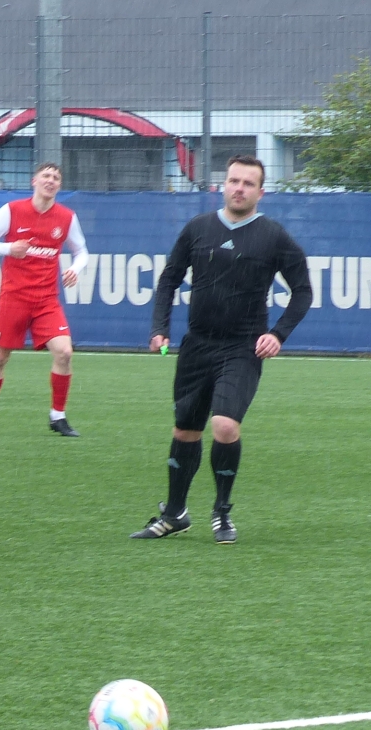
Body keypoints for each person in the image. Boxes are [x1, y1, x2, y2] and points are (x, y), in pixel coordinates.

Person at [133, 155, 313, 543]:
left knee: (225, 424)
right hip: (196, 346)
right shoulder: (198, 228)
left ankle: (222, 511)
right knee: (185, 429)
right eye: (234, 181)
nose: (239, 188)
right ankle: (175, 513)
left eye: (248, 183)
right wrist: (159, 328)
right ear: (223, 185)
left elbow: (303, 292)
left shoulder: (274, 236)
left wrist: (278, 334)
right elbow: (169, 280)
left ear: (261, 192)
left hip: (242, 348)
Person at [0, 161, 88, 438]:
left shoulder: (66, 217)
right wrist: (8, 249)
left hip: (47, 301)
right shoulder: (13, 210)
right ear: (34, 181)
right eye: (46, 176)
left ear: (59, 185)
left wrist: (75, 268)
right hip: (13, 298)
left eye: (56, 177)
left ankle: (58, 416)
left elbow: (81, 250)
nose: (51, 180)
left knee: (65, 352)